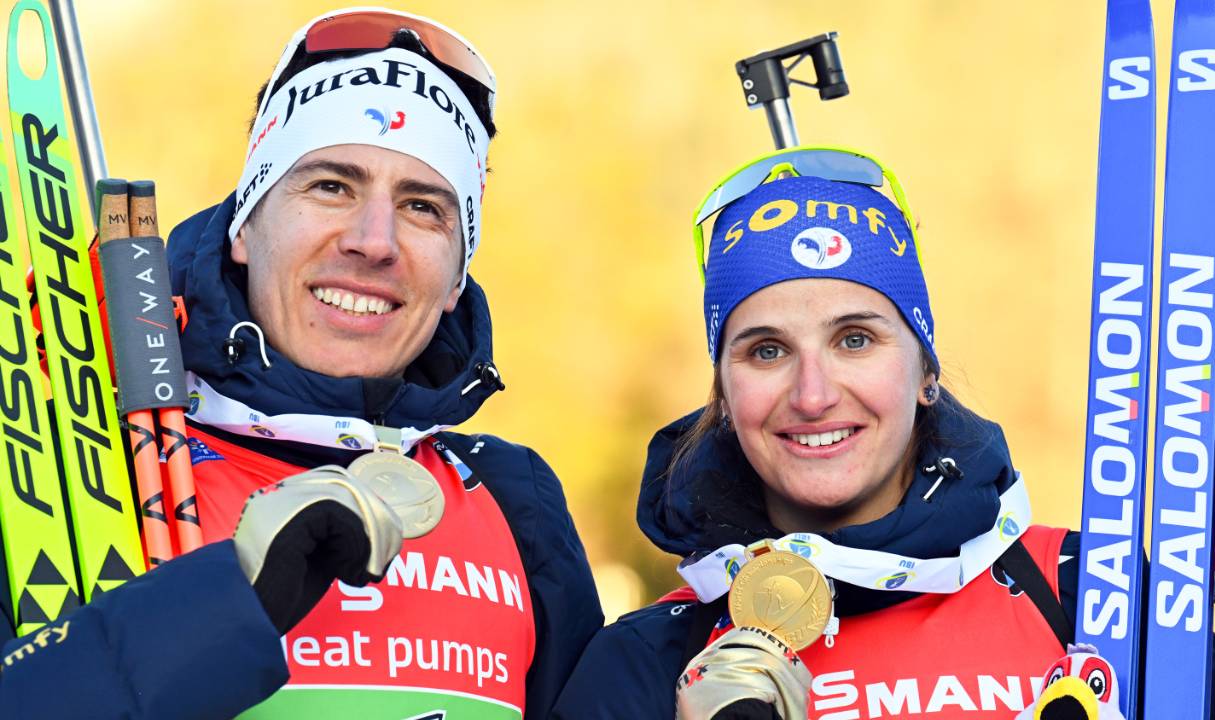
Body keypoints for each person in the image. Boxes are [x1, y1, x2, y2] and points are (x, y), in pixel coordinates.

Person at [0, 8, 601, 719]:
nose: (374, 241)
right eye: (331, 186)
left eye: (423, 207)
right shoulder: (66, 470)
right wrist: (215, 605)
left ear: (455, 281)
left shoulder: (514, 501)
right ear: (245, 226)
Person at [552, 148, 1083, 719]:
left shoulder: (1082, 593)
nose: (812, 396)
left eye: (854, 340)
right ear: (723, 394)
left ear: (925, 373)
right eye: (768, 351)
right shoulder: (643, 662)